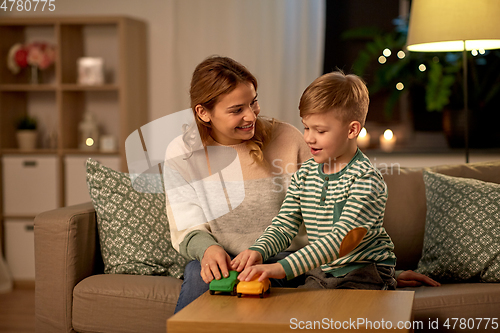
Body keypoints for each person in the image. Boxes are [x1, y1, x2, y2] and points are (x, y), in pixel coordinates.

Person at [165, 56, 311, 313]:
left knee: (251, 298)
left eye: (253, 102)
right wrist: (208, 249)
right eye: (236, 110)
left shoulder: (289, 139)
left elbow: (326, 213)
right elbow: (186, 223)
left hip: (284, 258)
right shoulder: (181, 152)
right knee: (200, 288)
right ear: (203, 112)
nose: (250, 115)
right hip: (220, 259)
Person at [233, 70, 399, 290]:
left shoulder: (366, 180)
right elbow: (285, 224)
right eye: (306, 127)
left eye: (320, 130)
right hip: (322, 269)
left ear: (352, 130)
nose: (309, 137)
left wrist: (281, 268)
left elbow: (341, 240)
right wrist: (259, 250)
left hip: (364, 271)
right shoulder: (305, 174)